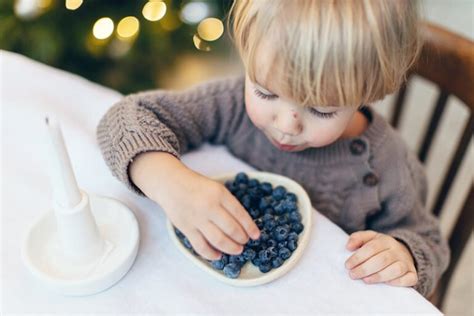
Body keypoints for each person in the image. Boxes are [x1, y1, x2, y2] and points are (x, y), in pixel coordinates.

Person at [96, 0, 449, 297]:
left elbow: (429, 242)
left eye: (321, 110)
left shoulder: (386, 167)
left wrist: (405, 254)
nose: (286, 125)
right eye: (266, 92)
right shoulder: (230, 106)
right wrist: (169, 182)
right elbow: (124, 119)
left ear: (368, 92)